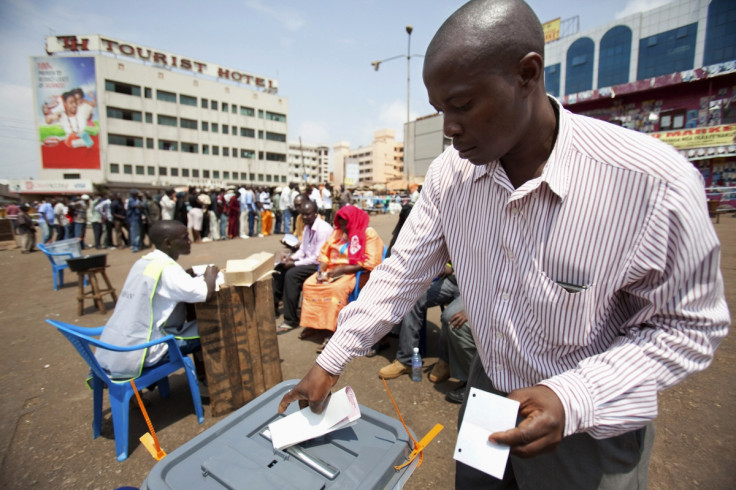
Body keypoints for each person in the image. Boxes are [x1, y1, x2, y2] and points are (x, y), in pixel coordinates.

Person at [278, 1, 730, 488]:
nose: (449, 129)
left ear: (527, 74)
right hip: (488, 387)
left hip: (589, 427)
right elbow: (402, 271)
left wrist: (573, 396)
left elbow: (689, 326)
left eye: (464, 105)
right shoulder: (451, 175)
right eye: (440, 111)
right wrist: (331, 359)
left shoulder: (651, 185)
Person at [95, 220, 218, 379]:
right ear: (168, 243)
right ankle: (208, 383)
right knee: (214, 328)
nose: (189, 241)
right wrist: (211, 275)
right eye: (185, 237)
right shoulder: (168, 269)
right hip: (144, 351)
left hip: (119, 346)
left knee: (196, 326)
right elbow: (204, 293)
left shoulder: (145, 261)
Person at [298, 205, 384, 351]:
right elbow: (325, 252)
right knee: (310, 284)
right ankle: (314, 324)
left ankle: (333, 331)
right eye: (341, 223)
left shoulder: (368, 233)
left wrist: (342, 269)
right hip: (333, 270)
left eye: (346, 223)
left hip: (355, 272)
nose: (343, 227)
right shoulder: (338, 231)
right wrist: (323, 267)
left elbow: (370, 263)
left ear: (354, 220)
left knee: (335, 289)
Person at [274, 200, 333, 335]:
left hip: (321, 264)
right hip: (310, 260)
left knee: (292, 275)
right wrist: (291, 258)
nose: (305, 217)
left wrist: (294, 264)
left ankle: (290, 320)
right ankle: (274, 307)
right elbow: (303, 250)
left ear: (316, 213)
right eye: (303, 215)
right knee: (280, 268)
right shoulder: (307, 227)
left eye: (308, 214)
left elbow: (317, 257)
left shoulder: (323, 229)